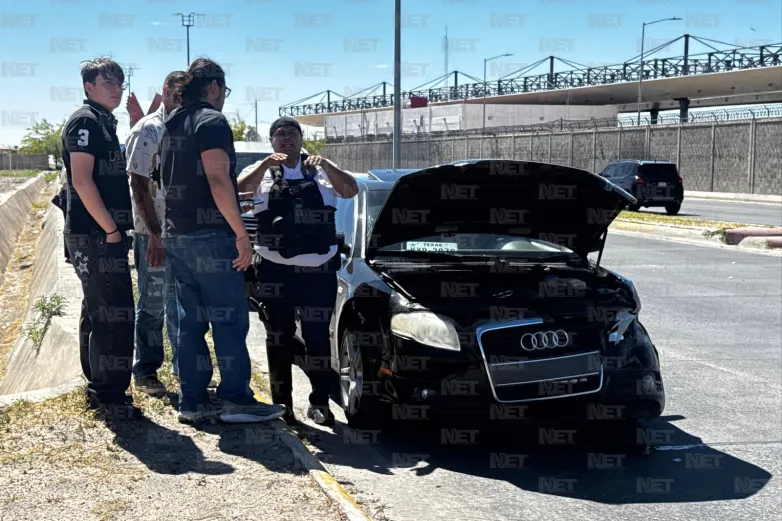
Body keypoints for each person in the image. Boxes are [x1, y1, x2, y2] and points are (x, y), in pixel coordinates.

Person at [158, 58, 285, 424]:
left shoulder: (172, 123)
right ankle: (235, 400)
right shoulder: (211, 121)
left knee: (190, 322)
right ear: (213, 87)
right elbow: (216, 180)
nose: (224, 97)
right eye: (224, 90)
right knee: (229, 320)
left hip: (177, 234)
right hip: (210, 236)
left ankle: (192, 401)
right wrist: (242, 234)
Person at [237, 116, 358, 426]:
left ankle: (320, 403)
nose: (287, 138)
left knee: (317, 338)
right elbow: (239, 191)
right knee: (279, 337)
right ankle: (282, 404)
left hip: (318, 273)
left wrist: (326, 163)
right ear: (271, 141)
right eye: (280, 134)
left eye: (292, 132)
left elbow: (350, 190)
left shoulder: (321, 170)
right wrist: (265, 165)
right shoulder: (262, 172)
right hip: (275, 271)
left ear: (301, 138)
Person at [61, 57, 138, 420]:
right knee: (114, 313)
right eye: (109, 83)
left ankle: (100, 388)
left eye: (120, 83)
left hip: (99, 235)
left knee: (98, 311)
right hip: (96, 235)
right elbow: (81, 179)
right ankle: (109, 396)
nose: (117, 89)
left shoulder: (102, 121)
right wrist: (110, 229)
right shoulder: (86, 121)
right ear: (89, 86)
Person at [125, 71, 185, 397]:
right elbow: (138, 184)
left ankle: (182, 367)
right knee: (153, 302)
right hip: (153, 233)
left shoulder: (186, 129)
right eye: (177, 92)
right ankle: (146, 370)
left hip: (182, 233)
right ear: (165, 90)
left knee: (181, 303)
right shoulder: (148, 130)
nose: (181, 99)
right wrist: (154, 235)